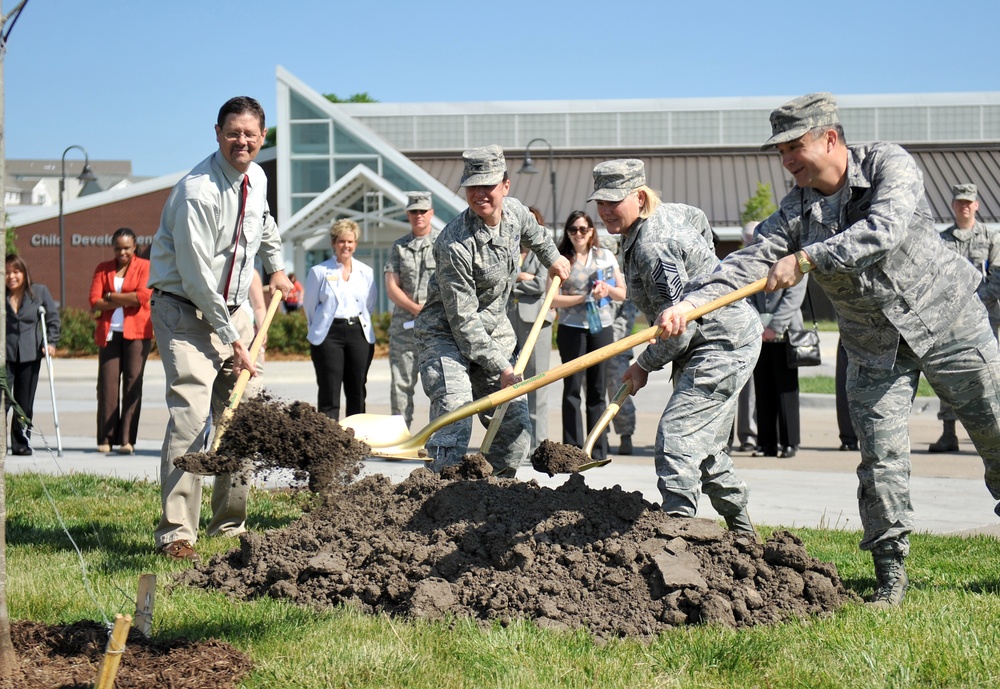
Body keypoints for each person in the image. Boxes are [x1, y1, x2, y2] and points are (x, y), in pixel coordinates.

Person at [655, 92, 1000, 607]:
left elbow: (884, 229)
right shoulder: (796, 209)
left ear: (830, 138)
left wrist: (808, 259)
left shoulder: (888, 163)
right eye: (781, 152)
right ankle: (890, 576)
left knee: (995, 432)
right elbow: (749, 261)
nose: (788, 160)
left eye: (795, 146)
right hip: (874, 347)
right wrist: (692, 304)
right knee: (880, 459)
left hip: (950, 321)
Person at [148, 96, 292, 562]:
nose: (241, 141)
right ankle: (177, 535)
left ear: (262, 137)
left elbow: (265, 224)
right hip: (186, 310)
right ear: (217, 133)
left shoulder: (258, 177)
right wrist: (234, 341)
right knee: (192, 416)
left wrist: (275, 267)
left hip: (233, 309)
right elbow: (196, 278)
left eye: (250, 134)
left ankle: (229, 524)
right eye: (233, 132)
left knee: (240, 418)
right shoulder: (198, 192)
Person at [589, 160, 761, 535]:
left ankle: (676, 540)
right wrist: (706, 268)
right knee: (705, 449)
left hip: (722, 343)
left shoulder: (653, 247)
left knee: (676, 437)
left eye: (613, 202)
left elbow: (679, 333)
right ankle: (744, 534)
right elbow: (698, 219)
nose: (604, 211)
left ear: (638, 196)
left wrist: (643, 365)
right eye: (599, 202)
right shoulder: (662, 216)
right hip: (703, 341)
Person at [415, 145, 570, 476]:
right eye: (472, 186)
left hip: (494, 329)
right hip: (446, 337)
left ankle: (497, 496)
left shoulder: (515, 214)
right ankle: (442, 494)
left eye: (488, 185)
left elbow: (537, 234)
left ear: (506, 186)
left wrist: (553, 259)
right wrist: (503, 366)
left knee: (513, 425)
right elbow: (463, 322)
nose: (480, 194)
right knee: (455, 413)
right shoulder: (454, 243)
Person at [928, 183, 1000, 452]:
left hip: (985, 321)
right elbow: (933, 278)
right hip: (949, 323)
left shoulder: (992, 238)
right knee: (947, 374)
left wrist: (970, 303)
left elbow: (998, 278)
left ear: (977, 205)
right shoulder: (941, 240)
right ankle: (949, 433)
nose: (965, 206)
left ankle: (992, 436)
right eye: (960, 202)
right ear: (953, 206)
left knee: (988, 376)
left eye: (969, 202)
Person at [551, 210, 626, 461]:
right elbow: (551, 299)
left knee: (598, 388)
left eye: (583, 229)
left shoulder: (605, 256)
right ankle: (572, 449)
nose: (578, 234)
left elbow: (623, 293)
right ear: (567, 233)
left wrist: (607, 290)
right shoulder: (562, 260)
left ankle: (597, 447)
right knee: (572, 387)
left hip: (601, 326)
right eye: (573, 230)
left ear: (592, 231)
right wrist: (583, 298)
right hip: (572, 327)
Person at [89, 227, 153, 455]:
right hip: (109, 333)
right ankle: (105, 438)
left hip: (137, 333)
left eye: (126, 248)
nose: (122, 252)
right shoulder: (103, 268)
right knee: (107, 386)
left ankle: (126, 439)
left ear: (134, 247)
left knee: (132, 385)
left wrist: (110, 296)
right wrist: (125, 299)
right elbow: (94, 301)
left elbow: (143, 296)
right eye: (118, 248)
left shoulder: (145, 266)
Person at [305, 219, 377, 420]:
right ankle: (329, 441)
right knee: (329, 390)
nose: (346, 246)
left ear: (355, 244)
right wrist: (319, 326)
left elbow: (369, 304)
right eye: (341, 241)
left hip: (358, 334)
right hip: (329, 335)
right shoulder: (319, 272)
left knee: (357, 389)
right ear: (333, 243)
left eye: (350, 241)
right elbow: (310, 307)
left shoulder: (366, 272)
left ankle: (356, 439)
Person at [384, 191, 439, 428]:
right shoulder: (399, 247)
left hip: (436, 330)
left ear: (431, 213)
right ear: (408, 214)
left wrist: (429, 310)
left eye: (423, 211)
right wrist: (415, 308)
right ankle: (400, 436)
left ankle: (437, 438)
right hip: (404, 329)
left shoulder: (442, 244)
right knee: (400, 384)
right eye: (414, 211)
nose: (419, 215)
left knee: (438, 386)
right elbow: (391, 286)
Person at [506, 206, 554, 452]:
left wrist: (519, 280)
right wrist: (521, 278)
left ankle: (539, 446)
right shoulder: (509, 248)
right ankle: (515, 443)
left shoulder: (544, 250)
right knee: (511, 385)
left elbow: (541, 285)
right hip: (509, 322)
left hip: (536, 323)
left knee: (537, 384)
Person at [5, 254, 60, 456]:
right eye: (7, 272)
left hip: (29, 355)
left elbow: (53, 320)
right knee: (3, 401)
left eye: (16, 271)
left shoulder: (39, 292)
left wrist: (51, 342)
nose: (11, 276)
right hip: (5, 356)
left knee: (23, 403)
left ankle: (20, 443)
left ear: (24, 272)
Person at [748, 275, 808, 459]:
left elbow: (794, 297)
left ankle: (789, 442)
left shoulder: (792, 257)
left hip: (786, 332)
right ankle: (766, 443)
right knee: (762, 388)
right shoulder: (756, 258)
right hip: (759, 334)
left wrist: (775, 326)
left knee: (786, 390)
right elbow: (748, 296)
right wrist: (757, 324)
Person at [599, 233, 638, 455]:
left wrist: (610, 338)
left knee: (619, 391)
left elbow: (627, 316)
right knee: (594, 393)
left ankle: (626, 435)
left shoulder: (623, 281)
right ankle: (599, 435)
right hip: (596, 346)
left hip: (617, 347)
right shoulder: (593, 278)